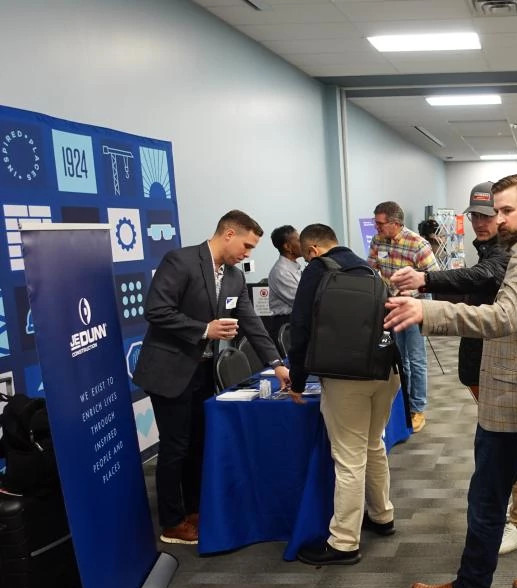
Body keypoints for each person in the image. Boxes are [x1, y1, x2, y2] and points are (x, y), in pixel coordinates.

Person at [384, 173, 517, 588]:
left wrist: (426, 309)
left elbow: (503, 317)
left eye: (508, 210)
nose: (499, 218)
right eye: (496, 211)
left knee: (487, 499)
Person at [390, 181, 517, 557]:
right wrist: (423, 294)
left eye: (489, 215)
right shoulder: (488, 249)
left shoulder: (507, 251)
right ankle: (516, 516)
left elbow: (484, 276)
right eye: (476, 217)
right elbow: (473, 289)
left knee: (510, 446)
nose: (481, 223)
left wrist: (426, 279)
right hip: (482, 364)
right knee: (502, 446)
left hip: (502, 366)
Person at [134, 209, 290, 545]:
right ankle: (172, 522)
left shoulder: (234, 277)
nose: (248, 254)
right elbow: (156, 310)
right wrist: (204, 330)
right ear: (229, 234)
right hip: (169, 370)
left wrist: (277, 363)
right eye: (247, 246)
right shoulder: (181, 261)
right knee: (175, 447)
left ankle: (194, 511)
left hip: (202, 370)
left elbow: (252, 323)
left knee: (197, 444)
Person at [286, 223, 400, 566]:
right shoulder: (368, 268)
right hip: (386, 371)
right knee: (373, 444)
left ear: (312, 250)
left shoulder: (317, 270)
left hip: (346, 377)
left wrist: (297, 380)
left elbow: (300, 328)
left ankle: (344, 542)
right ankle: (382, 515)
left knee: (349, 457)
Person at [368, 201, 439, 433]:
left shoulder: (418, 244)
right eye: (376, 223)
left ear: (395, 223)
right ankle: (403, 404)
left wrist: (411, 293)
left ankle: (417, 409)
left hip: (414, 308)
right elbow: (372, 269)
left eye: (380, 223)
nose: (376, 227)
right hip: (390, 308)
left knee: (416, 359)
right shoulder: (378, 241)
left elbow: (435, 277)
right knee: (397, 359)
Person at [267, 224, 303, 349]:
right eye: (298, 240)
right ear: (287, 247)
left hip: (294, 322)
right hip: (286, 326)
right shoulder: (281, 271)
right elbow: (301, 301)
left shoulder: (294, 268)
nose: (303, 243)